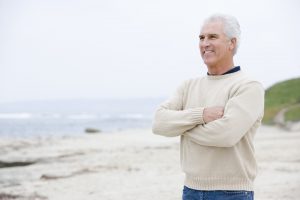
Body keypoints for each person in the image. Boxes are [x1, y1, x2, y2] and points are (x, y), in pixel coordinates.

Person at [152, 14, 264, 200]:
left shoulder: (248, 86)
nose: (205, 43)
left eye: (212, 37)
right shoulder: (188, 86)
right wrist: (201, 115)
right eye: (201, 38)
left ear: (232, 43)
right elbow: (158, 123)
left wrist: (181, 127)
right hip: (190, 190)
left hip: (232, 193)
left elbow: (225, 135)